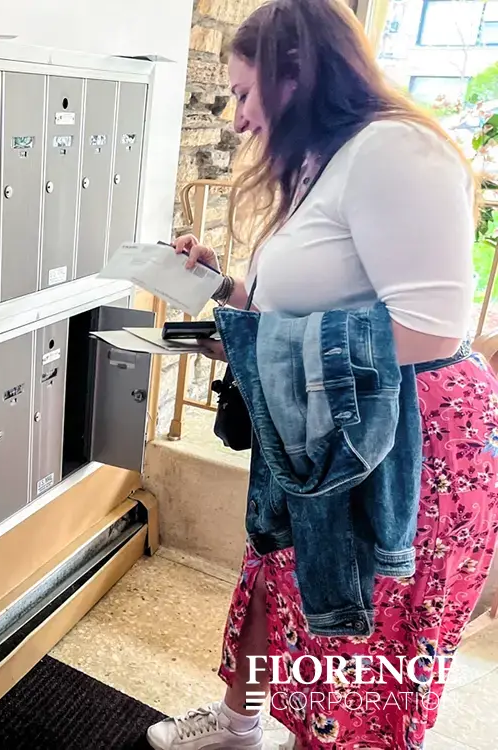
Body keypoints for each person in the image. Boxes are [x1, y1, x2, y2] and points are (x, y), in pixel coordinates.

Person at [146, 1, 498, 748]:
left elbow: (432, 330)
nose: (238, 119)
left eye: (244, 94)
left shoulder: (395, 150)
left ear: (297, 73)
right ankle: (242, 726)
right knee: (278, 591)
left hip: (401, 443)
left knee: (351, 655)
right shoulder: (323, 161)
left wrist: (267, 347)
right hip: (326, 429)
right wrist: (229, 301)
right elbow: (312, 305)